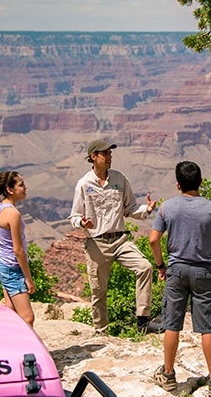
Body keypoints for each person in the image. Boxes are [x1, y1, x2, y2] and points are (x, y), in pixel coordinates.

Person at [150, 161, 211, 397]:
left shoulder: (166, 208)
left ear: (178, 184)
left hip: (176, 271)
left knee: (172, 323)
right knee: (207, 328)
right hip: (203, 272)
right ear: (201, 182)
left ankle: (168, 376)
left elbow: (153, 239)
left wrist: (161, 265)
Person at [69, 139, 162, 334]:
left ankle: (143, 322)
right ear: (93, 157)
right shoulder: (84, 184)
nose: (110, 157)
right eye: (106, 154)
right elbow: (74, 216)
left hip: (120, 240)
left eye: (110, 154)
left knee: (144, 268)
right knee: (98, 291)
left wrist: (146, 209)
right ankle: (101, 332)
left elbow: (130, 208)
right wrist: (82, 223)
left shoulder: (120, 179)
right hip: (97, 243)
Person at [0, 170, 36, 327]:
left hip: (2, 263)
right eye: (21, 185)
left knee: (11, 311)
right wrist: (28, 279)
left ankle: (8, 346)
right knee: (27, 317)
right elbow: (18, 250)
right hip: (11, 268)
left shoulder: (1, 206)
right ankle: (27, 351)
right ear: (10, 189)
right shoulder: (12, 213)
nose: (25, 187)